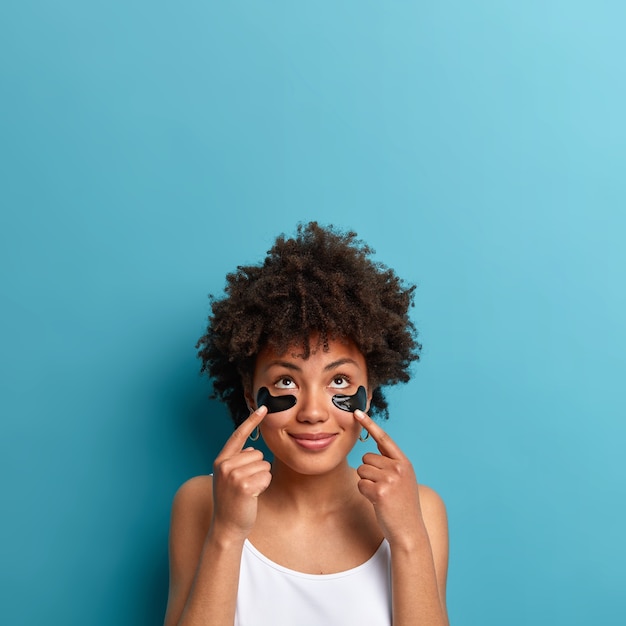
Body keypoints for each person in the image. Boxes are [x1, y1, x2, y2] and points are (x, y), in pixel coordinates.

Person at [163, 222, 449, 626]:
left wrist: (409, 539)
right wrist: (227, 533)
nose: (313, 412)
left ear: (370, 391)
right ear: (250, 397)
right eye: (285, 381)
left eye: (338, 381)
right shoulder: (201, 502)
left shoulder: (421, 509)